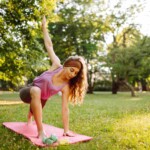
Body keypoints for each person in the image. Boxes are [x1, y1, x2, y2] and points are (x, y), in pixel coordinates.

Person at [19, 16, 88, 140]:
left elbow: (65, 109)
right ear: (66, 65)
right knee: (36, 91)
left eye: (76, 73)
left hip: (41, 99)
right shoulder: (56, 64)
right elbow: (49, 46)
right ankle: (40, 132)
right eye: (72, 70)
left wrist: (66, 130)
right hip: (28, 91)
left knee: (33, 111)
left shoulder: (65, 86)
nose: (73, 74)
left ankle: (29, 117)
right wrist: (44, 28)